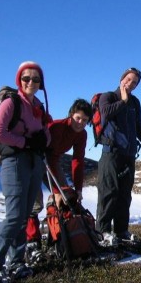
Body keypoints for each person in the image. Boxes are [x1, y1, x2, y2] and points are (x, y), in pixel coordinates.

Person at [0, 61, 51, 279]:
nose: (31, 82)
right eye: (26, 78)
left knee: (24, 215)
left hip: (33, 163)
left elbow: (46, 134)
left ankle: (16, 262)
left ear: (41, 83)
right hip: (14, 162)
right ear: (19, 81)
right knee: (14, 216)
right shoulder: (11, 103)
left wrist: (43, 140)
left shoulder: (38, 107)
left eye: (35, 79)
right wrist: (25, 142)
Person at [96, 67, 141, 246]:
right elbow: (105, 113)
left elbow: (138, 126)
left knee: (124, 194)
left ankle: (121, 230)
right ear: (122, 79)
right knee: (108, 192)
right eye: (128, 79)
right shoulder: (108, 96)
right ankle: (103, 231)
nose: (130, 83)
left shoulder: (135, 103)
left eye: (134, 82)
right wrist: (122, 100)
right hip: (111, 153)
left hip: (129, 154)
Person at [25, 99, 93, 246]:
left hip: (53, 163)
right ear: (71, 115)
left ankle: (59, 236)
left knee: (66, 198)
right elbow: (47, 155)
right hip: (35, 161)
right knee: (35, 203)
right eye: (78, 118)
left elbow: (78, 161)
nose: (80, 123)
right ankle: (32, 240)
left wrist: (78, 188)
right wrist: (56, 191)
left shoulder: (82, 135)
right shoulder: (56, 127)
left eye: (85, 120)